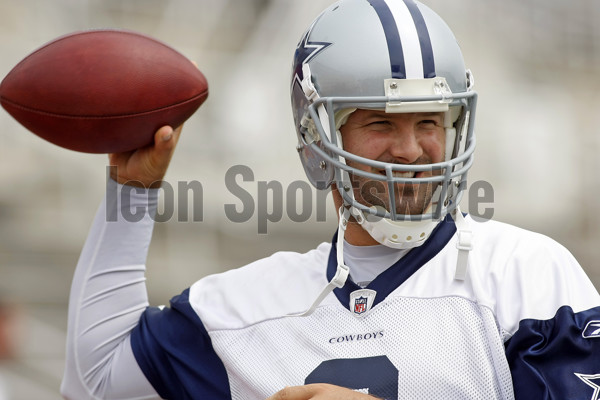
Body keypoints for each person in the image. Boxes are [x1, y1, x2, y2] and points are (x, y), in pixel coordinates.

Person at [60, 0, 600, 399]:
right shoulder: (243, 313)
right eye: (381, 122)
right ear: (319, 141)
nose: (411, 150)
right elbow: (99, 380)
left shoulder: (524, 273)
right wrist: (130, 196)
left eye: (430, 122)